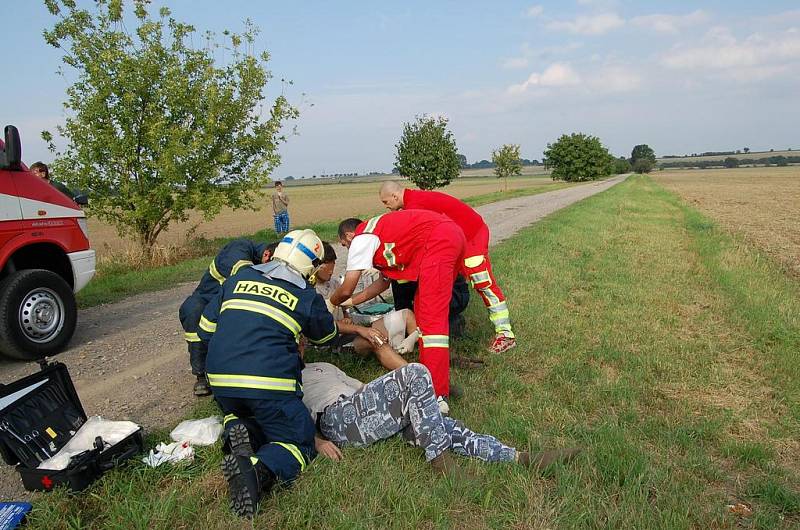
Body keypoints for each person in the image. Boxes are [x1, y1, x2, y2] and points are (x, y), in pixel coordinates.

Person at [197, 229, 338, 518]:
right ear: (310, 267)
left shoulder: (237, 279)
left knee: (248, 411)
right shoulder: (305, 294)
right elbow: (327, 336)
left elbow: (203, 330)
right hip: (269, 384)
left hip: (221, 382)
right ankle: (258, 470)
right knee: (299, 442)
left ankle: (242, 426)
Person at [303, 361, 581, 475]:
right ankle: (439, 457)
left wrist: (411, 402)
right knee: (415, 372)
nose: (300, 344)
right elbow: (285, 422)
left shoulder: (324, 366)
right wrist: (317, 442)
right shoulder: (289, 380)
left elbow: (364, 390)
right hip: (335, 420)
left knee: (438, 424)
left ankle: (518, 457)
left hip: (363, 411)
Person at [331, 210, 465, 412]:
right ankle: (433, 374)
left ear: (349, 236)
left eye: (344, 244)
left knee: (431, 321)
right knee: (424, 308)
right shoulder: (381, 237)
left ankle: (434, 393)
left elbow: (349, 285)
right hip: (450, 236)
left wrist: (331, 302)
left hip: (439, 241)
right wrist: (349, 302)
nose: (347, 248)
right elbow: (381, 284)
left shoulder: (361, 239)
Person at [379, 181, 516, 354]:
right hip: (455, 241)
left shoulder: (414, 206)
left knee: (483, 283)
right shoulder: (414, 200)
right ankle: (428, 333)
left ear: (394, 196)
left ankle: (505, 334)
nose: (386, 207)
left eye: (386, 202)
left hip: (470, 236)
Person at [179, 239, 276, 397]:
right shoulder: (239, 248)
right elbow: (244, 275)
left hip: (230, 304)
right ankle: (201, 374)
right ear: (266, 254)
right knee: (193, 311)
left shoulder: (265, 260)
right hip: (207, 300)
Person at [313, 242, 417, 370]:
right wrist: (359, 329)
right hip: (331, 341)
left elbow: (344, 306)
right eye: (328, 268)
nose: (332, 271)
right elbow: (323, 325)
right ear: (318, 266)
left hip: (349, 332)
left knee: (407, 314)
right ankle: (411, 374)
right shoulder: (311, 292)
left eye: (333, 266)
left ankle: (420, 355)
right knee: (375, 339)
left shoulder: (334, 283)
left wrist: (347, 317)